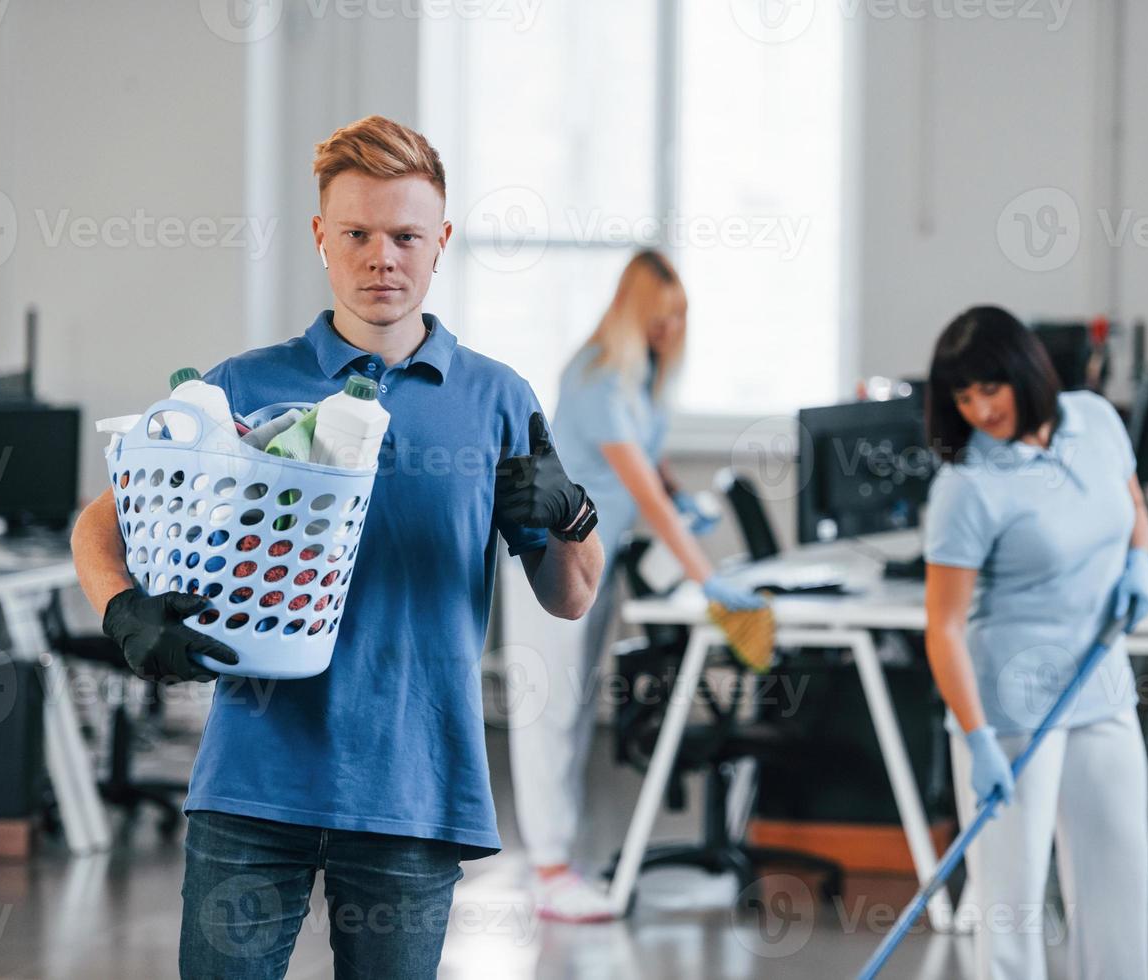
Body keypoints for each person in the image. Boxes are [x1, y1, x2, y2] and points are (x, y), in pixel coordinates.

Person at [70, 115, 605, 979]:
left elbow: (571, 596)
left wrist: (571, 515)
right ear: (322, 237)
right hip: (254, 777)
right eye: (356, 233)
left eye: (405, 236)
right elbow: (102, 520)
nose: (381, 257)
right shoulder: (244, 385)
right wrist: (122, 609)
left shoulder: (496, 400)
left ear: (441, 244)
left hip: (413, 786)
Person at [505, 249, 764, 922]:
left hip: (592, 559)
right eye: (661, 317)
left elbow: (652, 465)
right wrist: (707, 574)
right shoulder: (596, 378)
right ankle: (548, 866)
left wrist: (687, 499)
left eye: (679, 318)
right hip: (546, 558)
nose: (671, 329)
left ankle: (561, 858)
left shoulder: (639, 378)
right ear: (633, 311)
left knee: (577, 707)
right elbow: (642, 490)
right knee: (549, 711)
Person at [920, 305, 1148, 980]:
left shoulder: (1095, 419)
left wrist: (1141, 561)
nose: (979, 410)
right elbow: (943, 626)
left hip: (1100, 686)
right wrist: (976, 739)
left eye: (988, 388)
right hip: (1011, 713)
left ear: (1025, 372)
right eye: (962, 398)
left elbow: (1135, 509)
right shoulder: (966, 488)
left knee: (1118, 888)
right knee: (1013, 913)